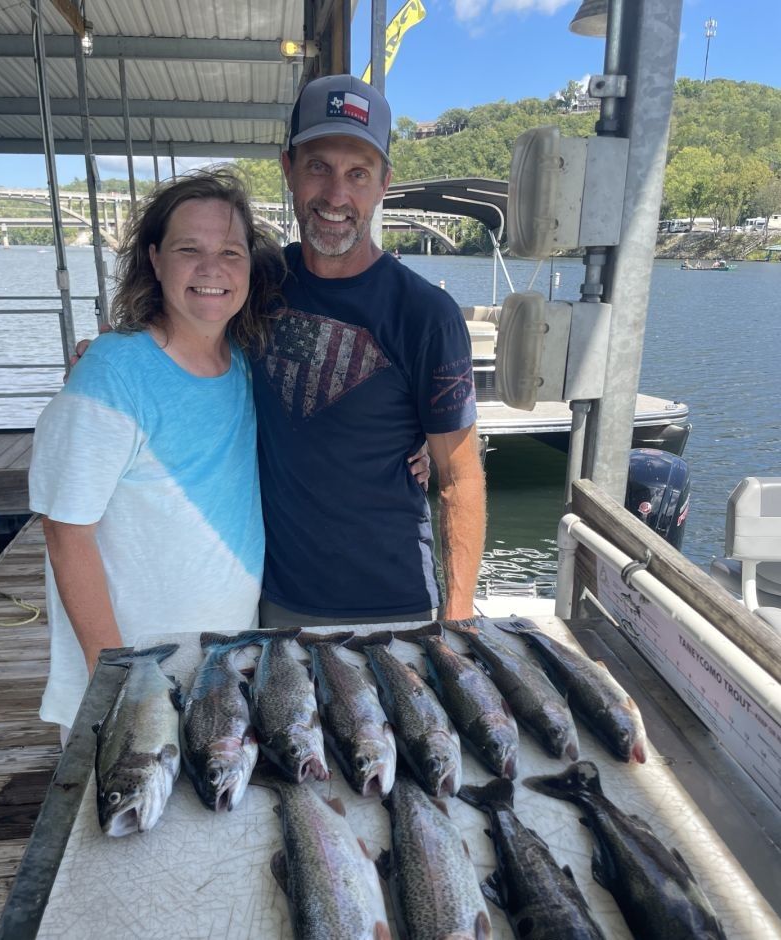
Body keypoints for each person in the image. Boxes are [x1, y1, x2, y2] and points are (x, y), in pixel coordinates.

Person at [29, 169, 284, 731]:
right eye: (188, 249)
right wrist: (119, 684)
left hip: (219, 671)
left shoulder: (243, 362)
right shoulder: (113, 374)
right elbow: (64, 531)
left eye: (231, 252)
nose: (212, 269)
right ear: (154, 259)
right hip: (133, 686)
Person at [252, 73, 486, 628]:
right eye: (318, 167)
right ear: (287, 168)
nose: (336, 196)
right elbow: (183, 320)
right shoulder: (255, 283)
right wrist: (118, 347)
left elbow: (460, 477)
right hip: (276, 601)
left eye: (358, 173)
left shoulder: (427, 314)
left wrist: (456, 623)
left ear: (384, 182)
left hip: (398, 606)